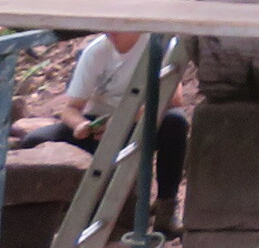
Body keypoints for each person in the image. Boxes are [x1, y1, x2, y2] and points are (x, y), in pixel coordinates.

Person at [11, 16, 184, 229]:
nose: (111, 32)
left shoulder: (159, 45)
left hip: (141, 120)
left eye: (118, 26)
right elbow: (71, 108)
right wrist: (80, 125)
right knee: (34, 141)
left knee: (175, 122)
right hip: (98, 126)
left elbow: (174, 98)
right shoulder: (96, 52)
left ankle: (166, 207)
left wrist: (124, 119)